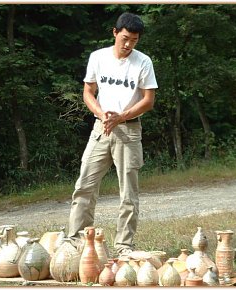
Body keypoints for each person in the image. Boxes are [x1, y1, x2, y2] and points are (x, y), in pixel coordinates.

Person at [67, 12, 158, 257]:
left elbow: (148, 100)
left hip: (129, 130)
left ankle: (123, 247)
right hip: (100, 128)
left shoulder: (143, 62)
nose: (128, 45)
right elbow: (88, 92)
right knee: (85, 184)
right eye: (125, 38)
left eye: (134, 40)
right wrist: (101, 113)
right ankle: (77, 241)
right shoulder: (98, 57)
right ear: (115, 32)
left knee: (128, 192)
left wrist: (122, 116)